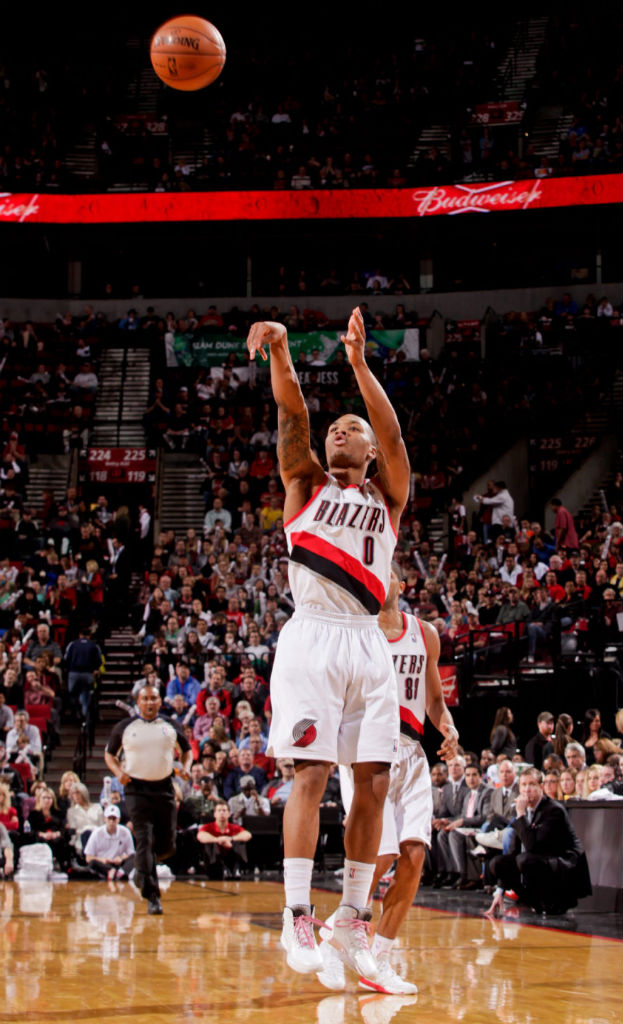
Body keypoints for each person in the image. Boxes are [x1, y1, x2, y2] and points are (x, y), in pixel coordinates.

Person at [246, 308, 410, 979]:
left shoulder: (389, 495)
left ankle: (349, 918)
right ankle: (295, 917)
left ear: (368, 452)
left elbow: (395, 434)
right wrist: (282, 354)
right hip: (312, 636)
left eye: (353, 429)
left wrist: (360, 368)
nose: (340, 430)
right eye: (336, 427)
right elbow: (292, 419)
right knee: (310, 775)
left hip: (367, 644)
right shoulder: (305, 484)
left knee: (372, 780)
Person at [317, 564, 459, 993]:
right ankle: (336, 930)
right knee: (377, 855)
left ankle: (377, 961)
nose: (379, 581)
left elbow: (434, 700)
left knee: (414, 855)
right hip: (365, 752)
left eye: (386, 575)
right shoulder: (355, 634)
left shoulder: (425, 633)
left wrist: (448, 727)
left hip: (413, 753)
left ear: (400, 584)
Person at [104, 684, 193, 914]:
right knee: (144, 840)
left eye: (154, 698)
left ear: (160, 700)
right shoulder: (125, 727)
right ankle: (152, 894)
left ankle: (141, 871)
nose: (150, 702)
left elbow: (187, 750)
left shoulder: (170, 725)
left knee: (166, 845)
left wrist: (185, 767)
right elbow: (109, 754)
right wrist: (119, 773)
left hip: (164, 787)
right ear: (138, 701)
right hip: (136, 789)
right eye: (146, 698)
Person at [485, 767, 591, 917]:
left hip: (565, 868)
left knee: (525, 860)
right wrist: (500, 891)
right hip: (543, 861)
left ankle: (553, 902)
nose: (527, 789)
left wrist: (521, 815)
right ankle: (534, 901)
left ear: (541, 787)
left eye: (532, 784)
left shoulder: (554, 810)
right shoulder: (523, 810)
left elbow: (532, 846)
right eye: (523, 785)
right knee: (498, 863)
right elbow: (513, 850)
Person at [197, 799, 252, 878]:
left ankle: (237, 869)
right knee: (210, 842)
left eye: (224, 810)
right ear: (215, 814)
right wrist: (218, 840)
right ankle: (221, 869)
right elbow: (200, 836)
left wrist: (230, 839)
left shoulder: (233, 827)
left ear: (229, 814)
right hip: (215, 861)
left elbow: (247, 835)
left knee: (239, 840)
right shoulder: (208, 827)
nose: (222, 813)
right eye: (219, 810)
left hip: (231, 856)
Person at [84, 804, 136, 880]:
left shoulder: (125, 832)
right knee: (92, 863)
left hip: (119, 864)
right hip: (104, 864)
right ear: (105, 819)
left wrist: (121, 858)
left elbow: (131, 853)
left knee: (136, 856)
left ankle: (120, 873)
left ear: (118, 819)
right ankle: (114, 873)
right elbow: (88, 858)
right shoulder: (97, 833)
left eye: (114, 819)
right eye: (109, 818)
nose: (111, 821)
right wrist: (103, 860)